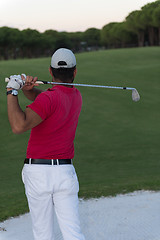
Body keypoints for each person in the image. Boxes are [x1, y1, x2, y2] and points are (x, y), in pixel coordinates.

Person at [6, 48, 85, 240]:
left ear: (50, 71)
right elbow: (47, 100)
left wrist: (12, 91)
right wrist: (29, 90)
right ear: (74, 72)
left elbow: (18, 125)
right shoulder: (76, 96)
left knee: (43, 234)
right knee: (73, 233)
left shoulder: (49, 99)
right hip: (65, 173)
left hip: (39, 174)